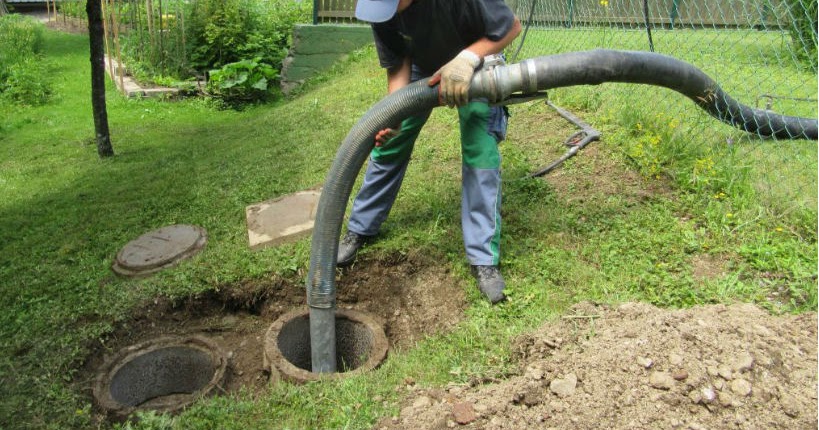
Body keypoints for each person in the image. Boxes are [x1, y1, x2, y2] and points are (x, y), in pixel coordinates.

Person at [339, 0, 521, 304]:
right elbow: (399, 66)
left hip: (476, 59)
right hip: (425, 65)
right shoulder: (383, 9)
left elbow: (509, 26)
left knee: (479, 145)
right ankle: (361, 228)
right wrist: (393, 117)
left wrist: (466, 58)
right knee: (390, 143)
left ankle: (483, 261)